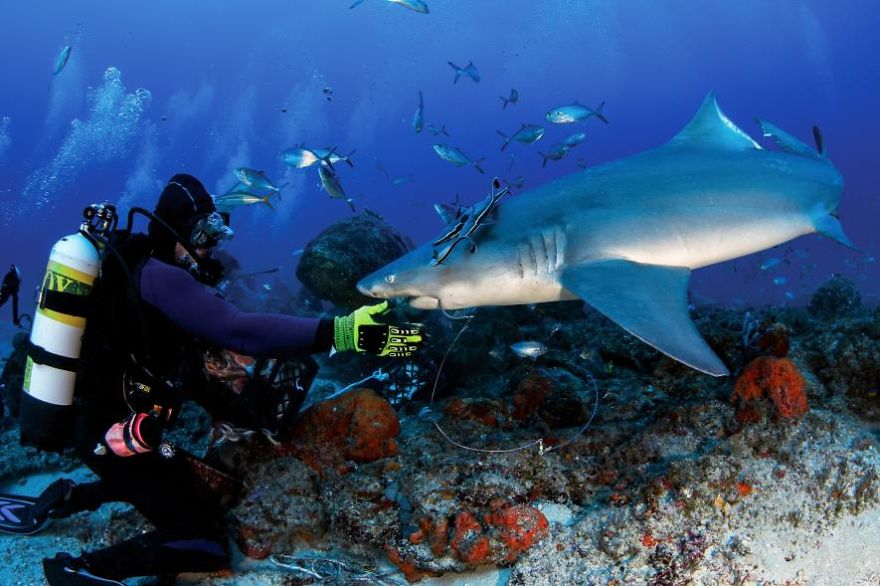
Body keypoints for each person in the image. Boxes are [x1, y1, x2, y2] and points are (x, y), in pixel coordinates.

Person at [31, 174, 423, 585]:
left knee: (196, 481)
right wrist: (340, 332)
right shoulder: (159, 276)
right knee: (207, 543)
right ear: (172, 231)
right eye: (201, 233)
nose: (209, 244)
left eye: (215, 232)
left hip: (124, 431)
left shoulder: (143, 274)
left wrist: (242, 412)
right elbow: (238, 330)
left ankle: (72, 497)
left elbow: (190, 371)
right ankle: (80, 569)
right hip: (112, 436)